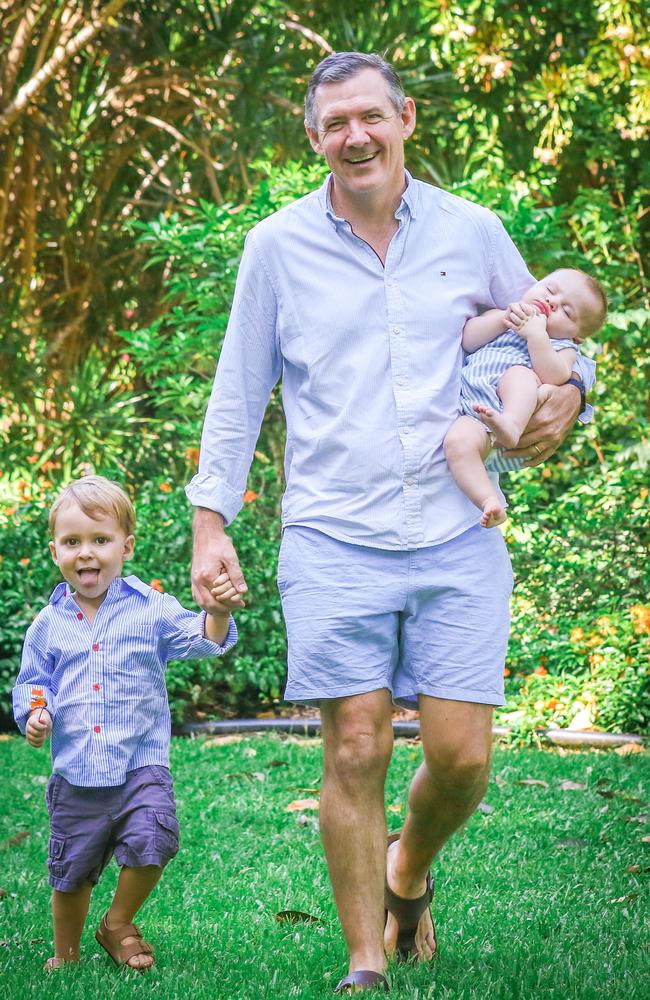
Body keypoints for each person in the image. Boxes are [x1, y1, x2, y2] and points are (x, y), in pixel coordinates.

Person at [186, 52, 593, 994]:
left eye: (371, 116)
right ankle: (365, 958)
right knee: (356, 742)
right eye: (335, 125)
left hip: (458, 530)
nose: (355, 136)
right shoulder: (276, 247)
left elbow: (555, 329)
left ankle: (408, 871)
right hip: (332, 532)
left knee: (461, 757)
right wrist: (213, 526)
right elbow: (238, 397)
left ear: (405, 118)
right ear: (315, 138)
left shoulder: (472, 229)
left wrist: (578, 398)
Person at [12, 475, 240, 972]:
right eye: (72, 542)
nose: (86, 553)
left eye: (100, 540)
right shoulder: (47, 625)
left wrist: (217, 612)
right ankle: (65, 955)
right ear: (55, 551)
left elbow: (200, 638)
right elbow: (34, 679)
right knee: (71, 873)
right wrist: (35, 712)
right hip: (76, 774)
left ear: (126, 545)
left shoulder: (150, 610)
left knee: (154, 842)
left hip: (141, 766)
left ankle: (117, 921)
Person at [444, 268, 606, 527]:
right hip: (473, 414)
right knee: (456, 443)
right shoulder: (502, 317)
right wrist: (502, 319)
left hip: (513, 429)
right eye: (550, 290)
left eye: (566, 311)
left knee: (519, 375)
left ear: (577, 336)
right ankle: (488, 502)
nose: (552, 302)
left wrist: (537, 336)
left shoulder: (563, 347)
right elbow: (468, 339)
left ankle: (510, 424)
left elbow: (554, 376)